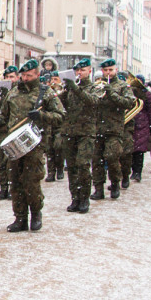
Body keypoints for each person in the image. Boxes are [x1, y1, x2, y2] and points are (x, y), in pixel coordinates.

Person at [0, 59, 65, 232]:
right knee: (15, 181)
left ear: (37, 75)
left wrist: (42, 116)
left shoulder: (45, 93)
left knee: (31, 181)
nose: (25, 78)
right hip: (14, 144)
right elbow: (3, 115)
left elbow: (60, 115)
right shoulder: (13, 93)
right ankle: (20, 218)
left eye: (29, 75)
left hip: (35, 144)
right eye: (23, 75)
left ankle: (36, 214)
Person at [91, 59, 136, 200]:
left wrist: (112, 94)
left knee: (112, 157)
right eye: (105, 70)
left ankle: (115, 183)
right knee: (96, 160)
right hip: (97, 128)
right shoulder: (97, 85)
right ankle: (98, 189)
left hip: (114, 129)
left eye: (110, 70)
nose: (108, 73)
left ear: (116, 70)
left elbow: (129, 102)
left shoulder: (123, 86)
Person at [59, 58, 98, 213]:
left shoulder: (95, 87)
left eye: (82, 70)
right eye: (77, 71)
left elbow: (93, 101)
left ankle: (84, 198)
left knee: (82, 165)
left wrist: (75, 89)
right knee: (72, 167)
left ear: (89, 71)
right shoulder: (70, 88)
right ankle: (75, 197)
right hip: (70, 131)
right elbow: (61, 106)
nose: (79, 73)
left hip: (86, 132)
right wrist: (63, 92)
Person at [0, 66, 19, 200]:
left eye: (12, 77)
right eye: (7, 77)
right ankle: (3, 188)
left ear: (17, 78)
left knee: (12, 163)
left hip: (14, 130)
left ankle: (14, 188)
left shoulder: (19, 92)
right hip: (0, 131)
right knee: (1, 162)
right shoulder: (0, 91)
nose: (9, 80)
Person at [126, 75, 151, 183]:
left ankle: (137, 172)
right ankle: (131, 171)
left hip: (142, 124)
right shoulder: (129, 92)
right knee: (130, 149)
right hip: (131, 121)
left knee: (139, 150)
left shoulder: (146, 94)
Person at [42, 70, 66, 183]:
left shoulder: (64, 90)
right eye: (52, 80)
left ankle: (60, 168)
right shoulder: (48, 91)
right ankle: (51, 172)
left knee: (58, 147)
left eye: (56, 79)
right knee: (49, 149)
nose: (53, 82)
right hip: (49, 124)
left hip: (61, 124)